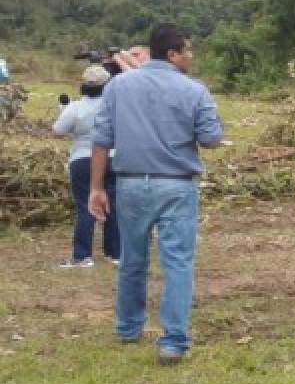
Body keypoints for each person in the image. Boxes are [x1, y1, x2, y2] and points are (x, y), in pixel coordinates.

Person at [89, 23, 225, 364]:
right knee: (177, 262)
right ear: (173, 54)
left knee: (132, 259)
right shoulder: (195, 90)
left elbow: (102, 139)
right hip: (176, 184)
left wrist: (95, 187)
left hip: (131, 184)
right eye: (188, 50)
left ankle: (128, 327)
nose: (192, 56)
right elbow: (211, 138)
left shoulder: (118, 86)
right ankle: (173, 341)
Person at [52, 65, 120, 268]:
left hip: (83, 158)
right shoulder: (115, 106)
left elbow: (57, 131)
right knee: (113, 206)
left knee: (85, 206)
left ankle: (82, 256)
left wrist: (65, 111)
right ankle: (115, 253)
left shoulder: (76, 107)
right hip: (113, 157)